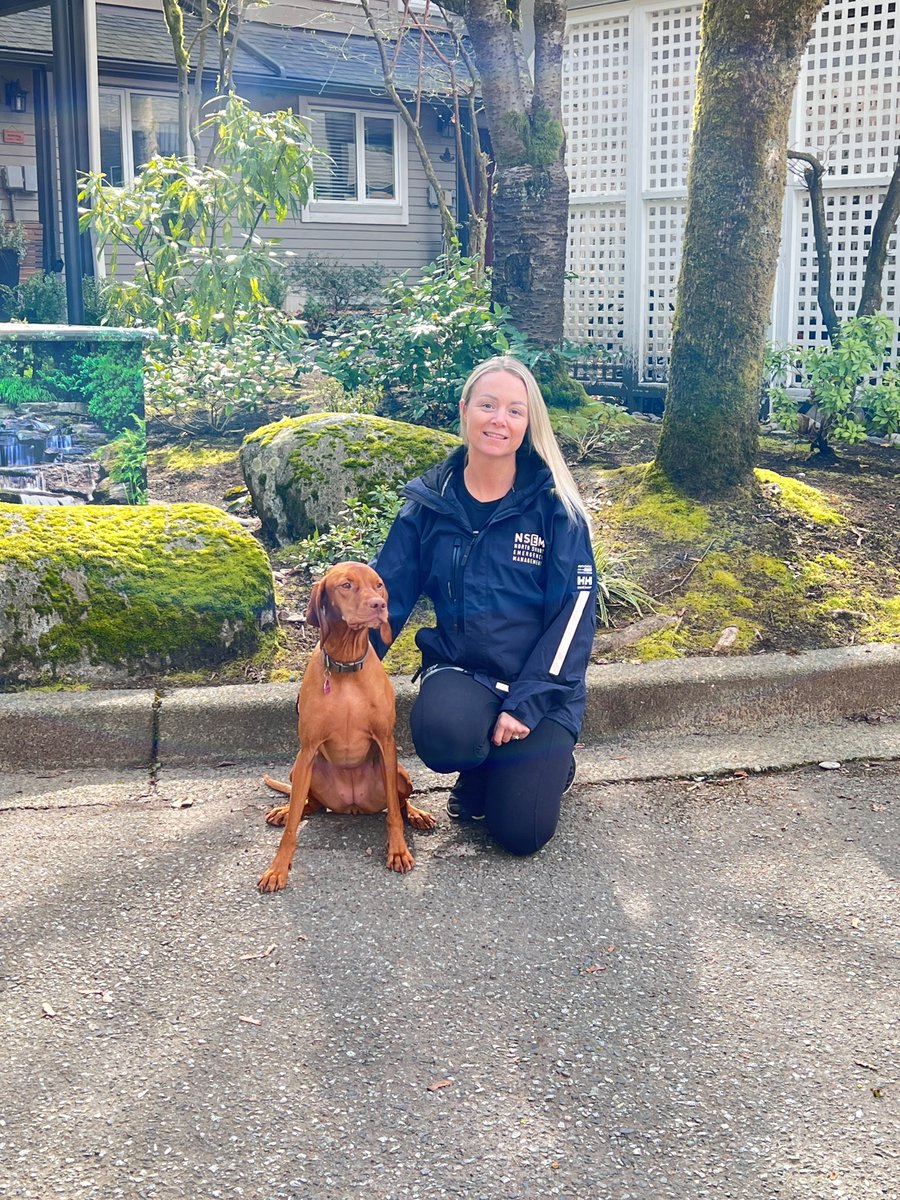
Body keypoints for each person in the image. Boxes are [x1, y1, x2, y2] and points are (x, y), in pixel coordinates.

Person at [371, 356, 597, 856]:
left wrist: (528, 702)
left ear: (528, 423)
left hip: (542, 690)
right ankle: (478, 765)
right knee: (443, 735)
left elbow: (576, 612)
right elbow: (384, 595)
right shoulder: (430, 503)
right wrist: (340, 667)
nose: (500, 419)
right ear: (465, 410)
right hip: (464, 673)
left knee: (520, 835)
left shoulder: (556, 508)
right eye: (488, 405)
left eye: (515, 411)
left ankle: (547, 764)